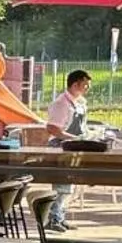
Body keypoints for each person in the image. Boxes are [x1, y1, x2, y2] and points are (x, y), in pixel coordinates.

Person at [45, 70, 93, 230]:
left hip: (75, 145)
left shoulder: (80, 102)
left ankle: (60, 215)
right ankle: (53, 219)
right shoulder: (61, 103)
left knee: (69, 184)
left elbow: (81, 126)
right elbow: (52, 128)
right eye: (85, 85)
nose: (87, 88)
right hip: (61, 146)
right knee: (61, 184)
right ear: (75, 84)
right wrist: (73, 138)